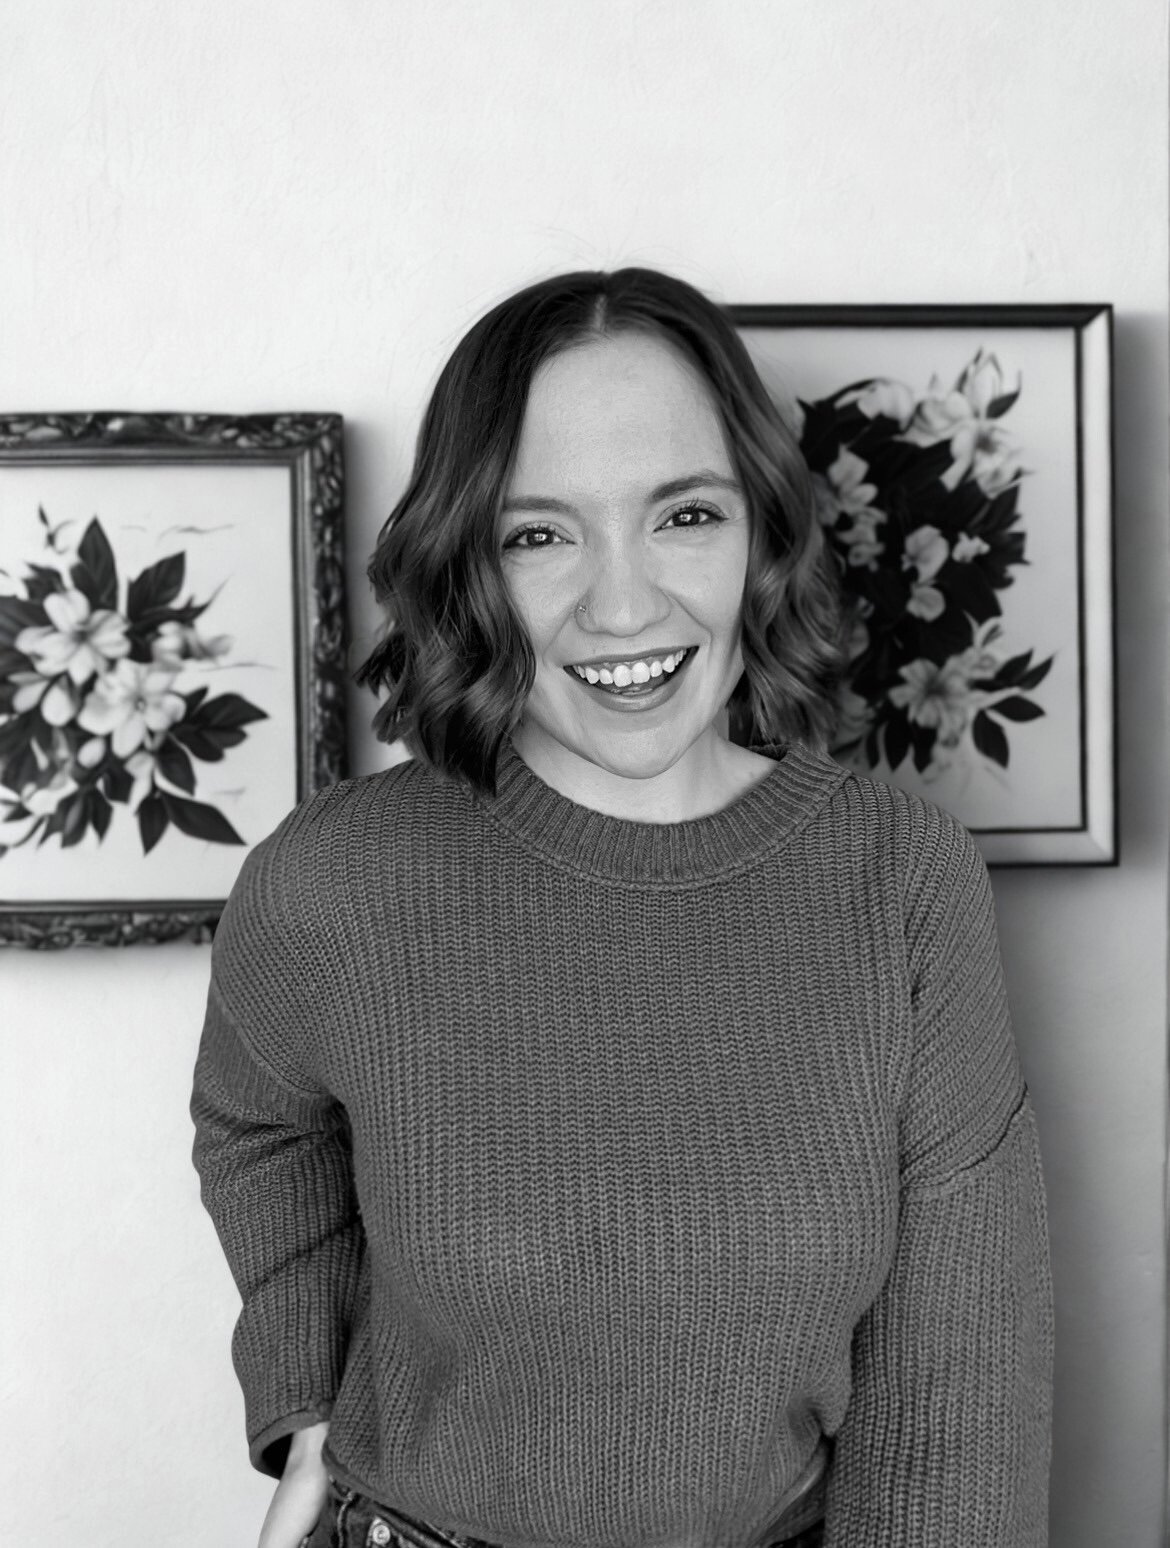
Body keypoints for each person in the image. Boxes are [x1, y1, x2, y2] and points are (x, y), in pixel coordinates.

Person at [190, 266, 1054, 1548]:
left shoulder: (901, 882)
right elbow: (256, 1127)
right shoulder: (334, 881)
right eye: (540, 534)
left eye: (683, 516)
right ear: (467, 562)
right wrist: (307, 1398)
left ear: (761, 526)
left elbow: (957, 1405)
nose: (625, 604)